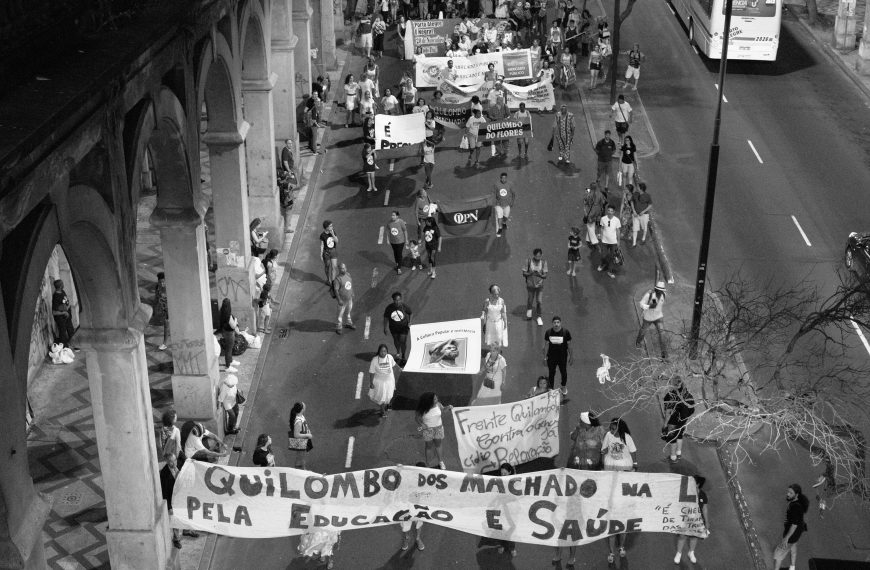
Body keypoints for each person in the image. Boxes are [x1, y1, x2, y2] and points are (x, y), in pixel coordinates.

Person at [602, 418, 637, 563]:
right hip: (610, 470)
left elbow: (633, 452)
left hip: (625, 470)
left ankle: (621, 547)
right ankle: (611, 552)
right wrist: (604, 452)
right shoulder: (608, 436)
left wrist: (635, 464)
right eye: (610, 427)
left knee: (622, 529)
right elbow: (603, 449)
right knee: (611, 531)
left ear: (619, 428)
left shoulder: (627, 438)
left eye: (613, 428)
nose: (610, 430)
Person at [157, 409, 184, 549]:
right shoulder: (165, 474)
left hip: (180, 495)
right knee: (176, 518)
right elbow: (178, 447)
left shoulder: (162, 430)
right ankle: (177, 538)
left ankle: (186, 530)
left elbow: (161, 446)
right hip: (173, 500)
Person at [773, 484, 810, 570]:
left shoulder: (795, 507)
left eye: (791, 493)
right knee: (793, 547)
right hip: (797, 532)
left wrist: (786, 538)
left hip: (792, 534)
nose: (788, 494)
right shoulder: (797, 502)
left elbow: (794, 525)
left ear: (796, 494)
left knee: (778, 556)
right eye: (788, 492)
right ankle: (792, 567)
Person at [675, 475, 708, 564]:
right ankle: (679, 553)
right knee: (682, 536)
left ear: (698, 484)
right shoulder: (685, 492)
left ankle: (691, 553)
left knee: (694, 537)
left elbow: (704, 509)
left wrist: (707, 522)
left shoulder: (703, 495)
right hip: (685, 519)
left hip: (697, 521)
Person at [415, 392, 453, 469]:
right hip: (428, 430)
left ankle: (441, 462)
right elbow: (417, 418)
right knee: (428, 447)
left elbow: (443, 410)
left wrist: (448, 407)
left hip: (439, 429)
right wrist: (422, 424)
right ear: (429, 401)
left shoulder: (438, 404)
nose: (437, 399)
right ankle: (428, 464)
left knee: (438, 445)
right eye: (435, 398)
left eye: (436, 398)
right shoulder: (423, 408)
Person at [662, 375, 695, 462]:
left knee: (672, 438)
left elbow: (668, 413)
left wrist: (665, 425)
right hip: (683, 421)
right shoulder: (688, 395)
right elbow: (692, 408)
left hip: (673, 421)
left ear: (673, 384)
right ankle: (678, 454)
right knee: (679, 436)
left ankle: (673, 458)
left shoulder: (670, 396)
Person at [637, 281, 668, 359]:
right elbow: (641, 303)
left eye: (661, 291)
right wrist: (648, 306)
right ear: (656, 289)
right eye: (658, 290)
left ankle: (664, 353)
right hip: (648, 317)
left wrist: (654, 306)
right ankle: (638, 342)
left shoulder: (664, 295)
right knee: (643, 331)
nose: (660, 292)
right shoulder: (649, 295)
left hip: (658, 317)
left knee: (662, 334)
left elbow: (658, 305)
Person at [543, 316, 573, 394]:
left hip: (562, 357)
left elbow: (569, 345)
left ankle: (563, 387)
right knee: (551, 373)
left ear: (560, 323)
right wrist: (545, 357)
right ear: (552, 323)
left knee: (563, 372)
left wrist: (571, 356)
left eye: (558, 322)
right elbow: (546, 345)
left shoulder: (566, 332)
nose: (556, 324)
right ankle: (551, 389)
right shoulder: (548, 332)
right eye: (554, 322)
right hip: (551, 357)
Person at [369, 344, 398, 416]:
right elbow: (372, 372)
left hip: (390, 381)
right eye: (381, 351)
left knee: (390, 395)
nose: (383, 353)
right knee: (382, 397)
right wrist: (371, 383)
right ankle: (382, 411)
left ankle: (387, 404)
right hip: (380, 383)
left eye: (385, 351)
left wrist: (400, 369)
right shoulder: (375, 360)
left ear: (387, 351)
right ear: (378, 352)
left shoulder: (390, 357)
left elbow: (394, 365)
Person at [384, 292, 413, 363]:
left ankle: (403, 356)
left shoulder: (404, 306)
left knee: (403, 341)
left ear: (401, 299)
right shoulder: (389, 308)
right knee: (396, 341)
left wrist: (410, 322)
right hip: (393, 328)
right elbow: (386, 317)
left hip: (404, 327)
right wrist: (385, 327)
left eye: (399, 300)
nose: (397, 302)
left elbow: (410, 313)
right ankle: (397, 353)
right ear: (393, 300)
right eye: (395, 300)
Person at [496, 463, 518, 557]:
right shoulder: (498, 481)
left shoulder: (515, 482)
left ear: (510, 472)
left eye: (505, 473)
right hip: (502, 510)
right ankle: (502, 545)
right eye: (502, 474)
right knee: (501, 529)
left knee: (511, 529)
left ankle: (512, 548)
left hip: (512, 511)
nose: (503, 475)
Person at [522, 248, 548, 325]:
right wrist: (530, 273)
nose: (538, 258)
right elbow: (524, 273)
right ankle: (529, 311)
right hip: (530, 285)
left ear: (541, 255)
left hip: (540, 285)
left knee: (539, 301)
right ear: (534, 255)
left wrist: (540, 275)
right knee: (530, 299)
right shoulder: (528, 261)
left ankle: (539, 317)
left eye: (539, 256)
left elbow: (545, 276)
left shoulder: (543, 262)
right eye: (536, 256)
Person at [597, 206, 621, 278]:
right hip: (604, 241)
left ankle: (610, 271)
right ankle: (603, 264)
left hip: (613, 242)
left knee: (612, 257)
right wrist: (601, 236)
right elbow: (602, 228)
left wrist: (618, 241)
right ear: (607, 211)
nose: (610, 212)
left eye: (611, 211)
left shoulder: (617, 220)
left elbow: (618, 231)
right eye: (609, 210)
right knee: (603, 255)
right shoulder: (603, 219)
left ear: (614, 212)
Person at [218, 299, 241, 373]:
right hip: (229, 334)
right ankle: (228, 366)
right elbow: (233, 326)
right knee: (229, 349)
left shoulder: (221, 312)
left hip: (225, 332)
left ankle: (230, 361)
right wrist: (236, 320)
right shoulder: (228, 315)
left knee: (229, 348)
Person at [332, 263, 355, 335]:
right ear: (339, 269)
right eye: (342, 268)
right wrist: (339, 300)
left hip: (349, 298)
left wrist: (352, 292)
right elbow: (336, 290)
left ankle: (348, 323)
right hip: (342, 300)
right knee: (340, 314)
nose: (344, 269)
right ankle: (338, 327)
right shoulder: (337, 279)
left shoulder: (348, 274)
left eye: (344, 268)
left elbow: (350, 284)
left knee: (348, 311)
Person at [288, 401, 313, 469]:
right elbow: (296, 435)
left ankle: (299, 468)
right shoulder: (298, 421)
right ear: (302, 409)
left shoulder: (300, 415)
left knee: (300, 456)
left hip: (302, 439)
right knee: (302, 457)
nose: (304, 404)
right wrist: (308, 435)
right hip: (301, 441)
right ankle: (302, 470)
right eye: (303, 405)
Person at [583, 182, 606, 251]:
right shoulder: (600, 194)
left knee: (590, 227)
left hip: (590, 212)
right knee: (592, 226)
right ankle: (588, 239)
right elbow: (603, 202)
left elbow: (585, 202)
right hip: (598, 212)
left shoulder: (588, 193)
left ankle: (594, 242)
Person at [487, 92, 511, 157]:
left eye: (501, 100)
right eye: (498, 100)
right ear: (496, 100)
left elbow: (509, 115)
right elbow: (489, 115)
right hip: (496, 126)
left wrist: (507, 118)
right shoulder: (493, 107)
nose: (500, 101)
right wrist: (493, 118)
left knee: (505, 139)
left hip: (504, 125)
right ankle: (498, 151)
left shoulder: (505, 106)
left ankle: (506, 151)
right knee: (496, 139)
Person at [493, 172, 516, 237]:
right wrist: (494, 202)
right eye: (502, 178)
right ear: (500, 178)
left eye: (505, 178)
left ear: (506, 178)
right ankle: (500, 228)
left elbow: (514, 194)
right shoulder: (496, 184)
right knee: (500, 217)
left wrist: (512, 202)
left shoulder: (510, 184)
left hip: (507, 204)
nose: (503, 179)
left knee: (506, 217)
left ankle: (504, 223)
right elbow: (494, 193)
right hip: (498, 205)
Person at [631, 181, 652, 246]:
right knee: (635, 228)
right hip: (635, 215)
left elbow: (650, 205)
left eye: (638, 187)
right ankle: (634, 243)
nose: (636, 187)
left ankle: (643, 238)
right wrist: (634, 210)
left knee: (644, 227)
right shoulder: (635, 194)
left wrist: (643, 211)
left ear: (641, 188)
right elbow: (632, 201)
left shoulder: (647, 196)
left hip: (644, 215)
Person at [320, 220, 339, 288]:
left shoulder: (333, 232)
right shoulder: (322, 235)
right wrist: (321, 254)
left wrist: (333, 234)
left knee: (334, 267)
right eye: (330, 226)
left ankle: (333, 282)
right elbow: (322, 245)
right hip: (326, 253)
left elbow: (337, 241)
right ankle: (328, 280)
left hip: (333, 251)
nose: (332, 227)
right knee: (327, 266)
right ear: (326, 227)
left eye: (332, 226)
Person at [154, 272, 169, 350]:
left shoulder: (169, 289)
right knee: (166, 325)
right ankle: (165, 343)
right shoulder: (157, 288)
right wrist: (155, 308)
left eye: (163, 282)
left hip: (171, 308)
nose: (162, 284)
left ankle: (164, 343)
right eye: (160, 282)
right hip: (164, 309)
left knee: (166, 325)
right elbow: (156, 298)